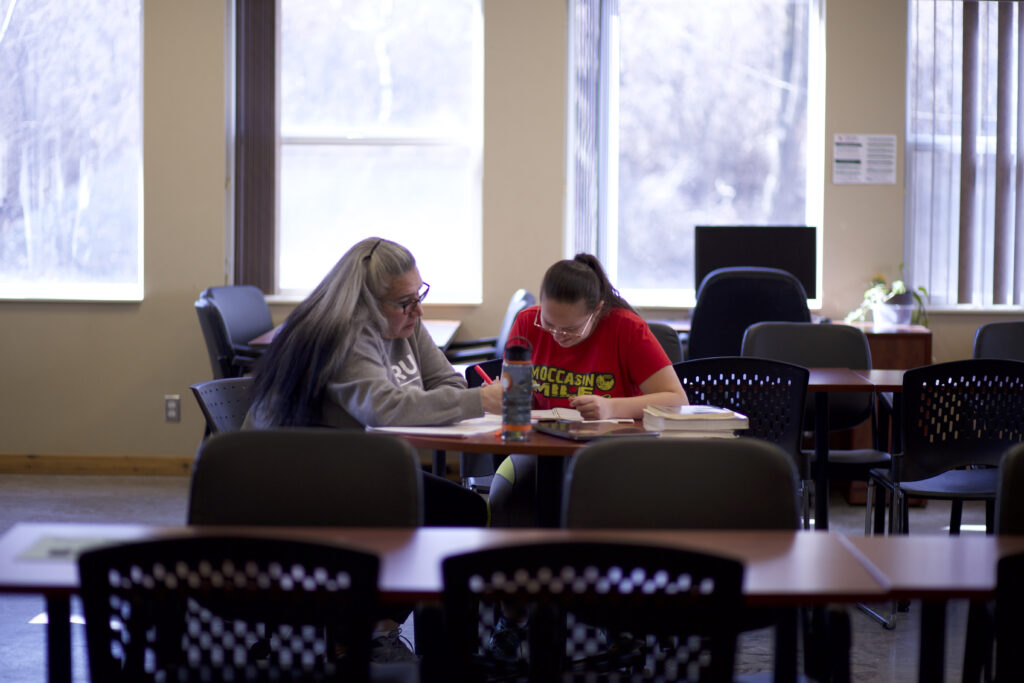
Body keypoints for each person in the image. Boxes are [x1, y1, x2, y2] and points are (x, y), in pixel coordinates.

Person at [245, 236, 503, 528]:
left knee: (463, 506)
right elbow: (384, 409)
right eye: (405, 302)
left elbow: (448, 383)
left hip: (350, 460)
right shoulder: (343, 334)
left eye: (419, 295)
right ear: (366, 303)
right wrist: (479, 400)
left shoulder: (407, 323)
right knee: (463, 509)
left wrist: (423, 405)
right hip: (294, 473)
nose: (418, 311)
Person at [489, 253, 688, 527]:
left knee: (585, 503)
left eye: (571, 328)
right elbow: (517, 399)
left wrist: (610, 407)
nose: (558, 335)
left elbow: (677, 399)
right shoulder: (526, 322)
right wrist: (503, 399)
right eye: (548, 324)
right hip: (542, 449)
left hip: (612, 451)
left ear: (598, 311)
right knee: (503, 498)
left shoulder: (626, 329)